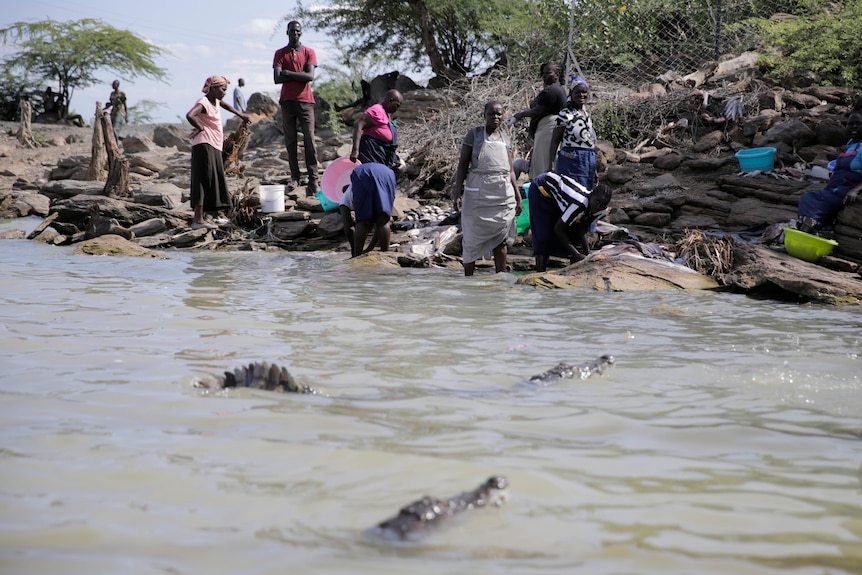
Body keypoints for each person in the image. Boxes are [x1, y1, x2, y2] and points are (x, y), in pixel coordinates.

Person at [453, 101, 522, 276]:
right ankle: (468, 280)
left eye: (499, 114)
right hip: (478, 192)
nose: (496, 117)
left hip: (502, 193)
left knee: (502, 239)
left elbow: (510, 170)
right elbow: (462, 165)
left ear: (504, 116)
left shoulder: (506, 139)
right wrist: (457, 193)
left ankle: (500, 279)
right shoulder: (474, 135)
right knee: (471, 239)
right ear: (484, 115)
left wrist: (518, 196)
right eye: (492, 113)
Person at [185, 75, 250, 230]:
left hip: (213, 145)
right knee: (202, 180)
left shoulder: (215, 101)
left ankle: (212, 214)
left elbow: (226, 105)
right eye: (222, 89)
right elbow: (190, 115)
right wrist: (200, 128)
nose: (224, 92)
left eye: (225, 89)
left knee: (213, 178)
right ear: (213, 88)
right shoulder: (204, 102)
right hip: (204, 144)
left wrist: (241, 115)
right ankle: (198, 220)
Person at [529, 172, 612, 271]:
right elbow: (558, 229)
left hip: (560, 196)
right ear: (591, 196)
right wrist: (576, 254)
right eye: (597, 202)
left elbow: (582, 229)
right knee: (544, 235)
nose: (598, 207)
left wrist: (588, 253)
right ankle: (539, 272)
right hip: (542, 188)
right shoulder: (579, 204)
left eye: (603, 205)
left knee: (575, 238)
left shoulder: (601, 210)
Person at [273, 20, 319, 197]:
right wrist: (296, 76)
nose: (295, 34)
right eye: (292, 31)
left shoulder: (309, 52)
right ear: (287, 32)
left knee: (309, 140)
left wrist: (288, 73)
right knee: (290, 141)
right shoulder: (279, 53)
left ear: (301, 33)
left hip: (306, 101)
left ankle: (313, 178)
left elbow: (309, 76)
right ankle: (295, 176)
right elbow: (277, 78)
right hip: (287, 101)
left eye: (298, 31)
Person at [797, 111, 862, 235]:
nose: (854, 126)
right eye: (851, 124)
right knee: (810, 197)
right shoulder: (850, 144)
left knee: (809, 199)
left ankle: (804, 233)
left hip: (846, 189)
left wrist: (855, 190)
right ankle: (814, 229)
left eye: (858, 123)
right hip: (834, 187)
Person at [510, 61, 567, 181]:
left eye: (548, 73)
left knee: (543, 163)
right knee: (541, 161)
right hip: (546, 129)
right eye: (543, 74)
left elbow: (538, 111)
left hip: (548, 130)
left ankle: (541, 187)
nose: (545, 76)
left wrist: (521, 114)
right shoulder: (557, 90)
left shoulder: (552, 91)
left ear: (557, 74)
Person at [548, 75, 597, 190]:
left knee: (586, 195)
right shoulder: (565, 114)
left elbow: (589, 143)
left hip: (588, 162)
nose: (582, 95)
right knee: (571, 194)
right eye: (578, 92)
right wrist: (551, 164)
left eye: (584, 92)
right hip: (571, 162)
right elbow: (555, 141)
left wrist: (593, 169)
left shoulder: (586, 114)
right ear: (571, 93)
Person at [347, 163, 396, 256]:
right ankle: (386, 254)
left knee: (362, 221)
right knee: (383, 221)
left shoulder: (344, 199)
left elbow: (348, 227)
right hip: (387, 174)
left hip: (362, 174)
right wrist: (370, 248)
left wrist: (353, 252)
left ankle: (357, 257)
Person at [349, 89, 404, 169]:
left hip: (381, 155)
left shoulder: (386, 113)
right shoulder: (376, 110)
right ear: (390, 100)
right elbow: (359, 125)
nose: (397, 109)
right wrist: (355, 151)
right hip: (371, 154)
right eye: (396, 105)